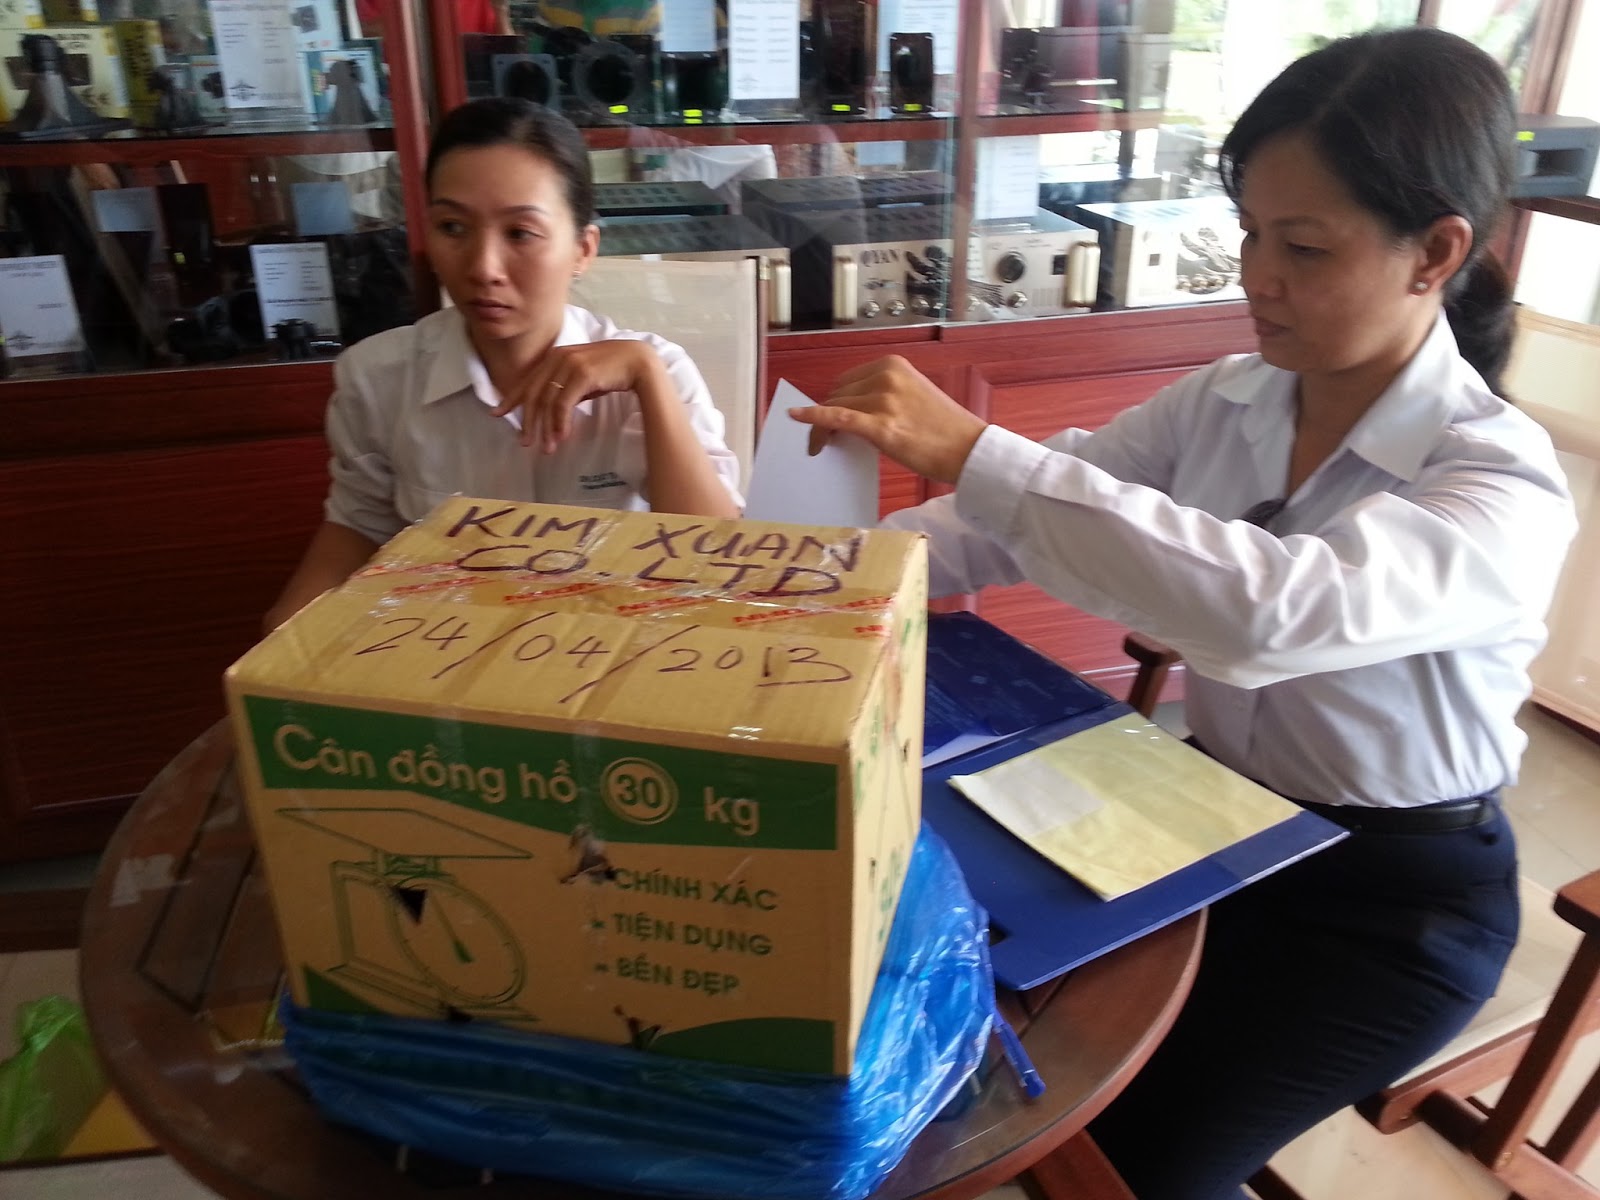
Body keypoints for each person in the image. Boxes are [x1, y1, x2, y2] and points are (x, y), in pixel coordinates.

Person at [789, 27, 1576, 1200]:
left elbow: (1273, 613)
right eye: (1249, 231)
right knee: (975, 1048)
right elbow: (1012, 517)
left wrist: (975, 449)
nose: (1256, 276)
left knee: (1139, 1163)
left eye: (1301, 246)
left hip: (1389, 904)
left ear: (1435, 252)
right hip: (1218, 823)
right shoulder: (1232, 397)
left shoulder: (1497, 480)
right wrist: (821, 578)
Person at [266, 98, 742, 631]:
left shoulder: (659, 371)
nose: (483, 267)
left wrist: (647, 377)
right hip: (448, 647)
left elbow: (714, 558)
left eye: (519, 233)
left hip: (607, 648)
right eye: (453, 227)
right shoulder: (379, 379)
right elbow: (360, 525)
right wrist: (288, 632)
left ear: (583, 250)